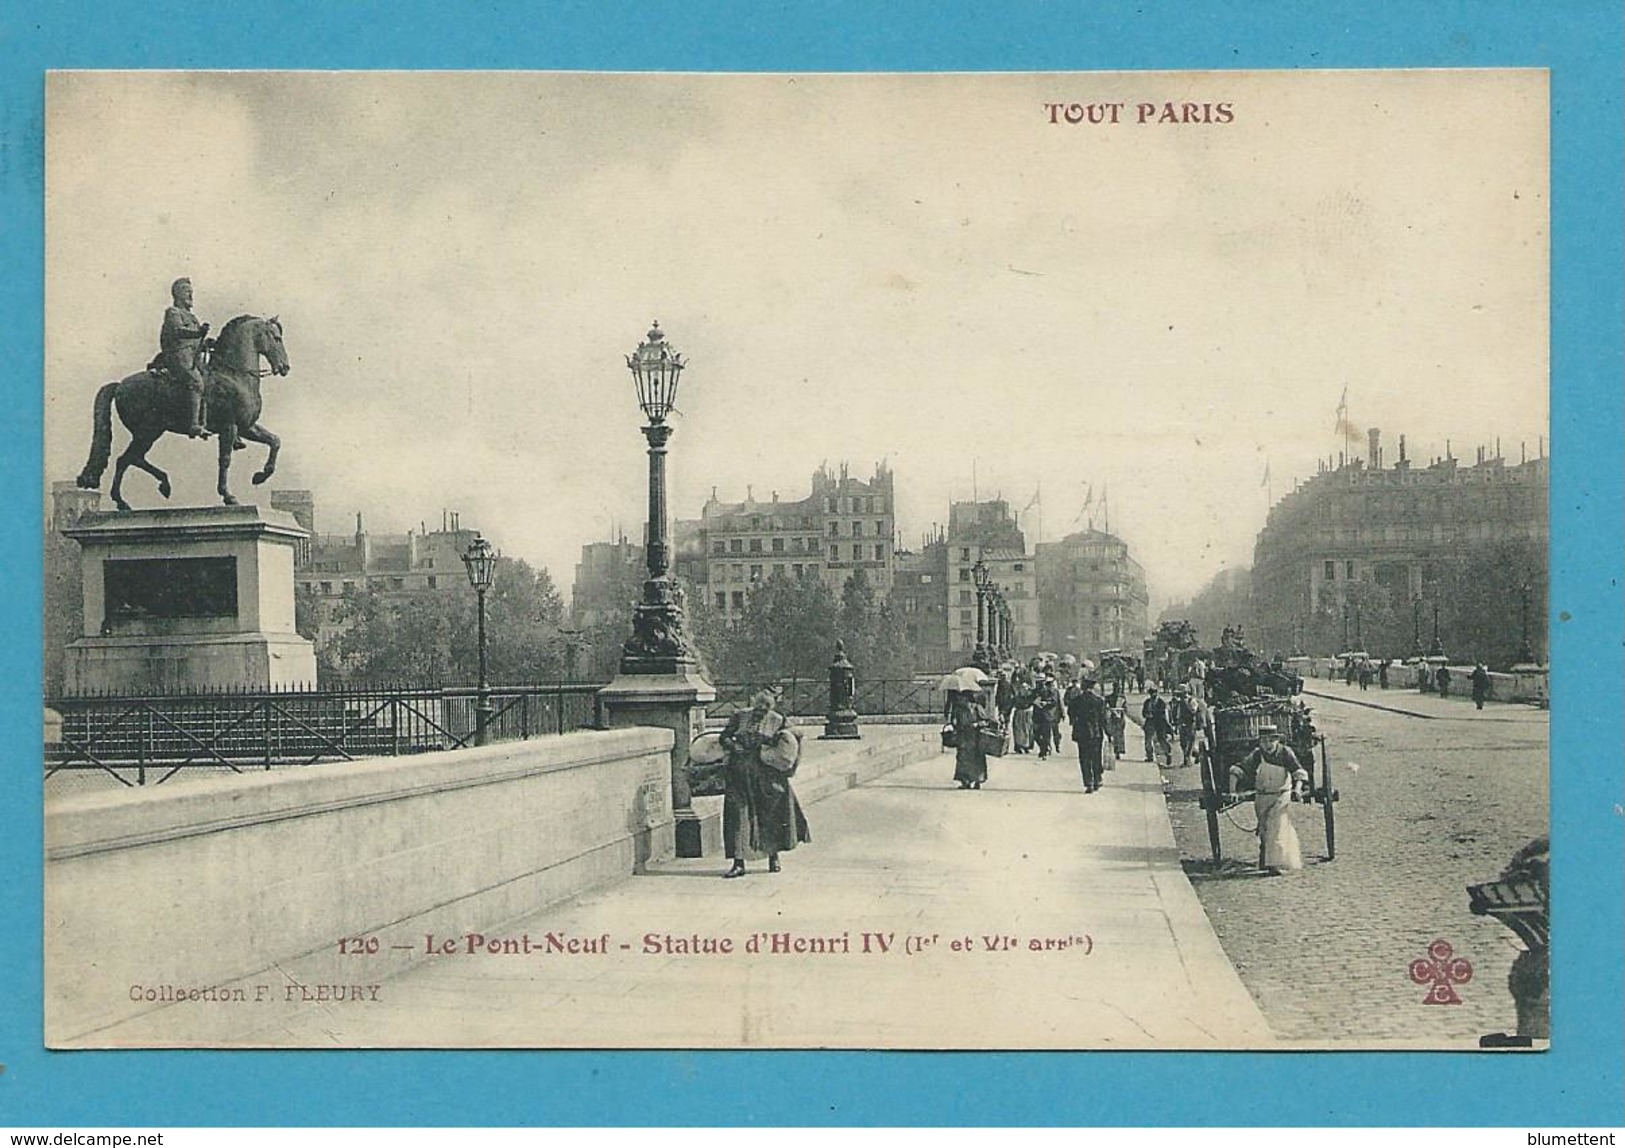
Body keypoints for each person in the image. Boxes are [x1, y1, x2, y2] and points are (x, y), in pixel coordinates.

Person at [721, 689, 810, 877]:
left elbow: (793, 739)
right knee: (738, 817)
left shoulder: (778, 720)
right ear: (753, 704)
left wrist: (780, 752)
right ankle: (738, 863)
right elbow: (724, 737)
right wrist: (733, 745)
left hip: (767, 776)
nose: (760, 712)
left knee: (770, 815)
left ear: (771, 708)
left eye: (765, 709)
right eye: (758, 708)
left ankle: (773, 857)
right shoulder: (739, 716)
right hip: (739, 773)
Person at [1228, 723, 1310, 875]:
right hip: (1262, 797)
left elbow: (1298, 772)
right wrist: (1232, 790)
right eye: (1264, 741)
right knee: (1265, 829)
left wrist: (1297, 789)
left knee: (1276, 827)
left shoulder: (1285, 753)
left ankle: (1274, 865)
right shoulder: (1257, 755)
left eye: (1271, 741)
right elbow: (1237, 770)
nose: (1268, 744)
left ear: (1277, 741)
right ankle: (1265, 858)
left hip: (1281, 795)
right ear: (1260, 742)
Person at [158, 277, 212, 438]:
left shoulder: (192, 318)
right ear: (177, 294)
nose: (191, 296)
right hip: (178, 356)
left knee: (215, 381)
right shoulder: (173, 312)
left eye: (191, 292)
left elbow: (196, 340)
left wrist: (206, 342)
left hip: (193, 357)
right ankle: (194, 425)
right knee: (196, 381)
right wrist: (198, 333)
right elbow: (178, 331)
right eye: (187, 292)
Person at [1067, 673, 1109, 792]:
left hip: (1082, 733)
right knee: (1096, 757)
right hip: (1096, 733)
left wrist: (1075, 722)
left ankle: (1088, 782)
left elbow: (1071, 714)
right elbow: (1103, 719)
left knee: (1084, 758)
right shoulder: (1099, 701)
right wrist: (1108, 733)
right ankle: (1097, 779)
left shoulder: (1076, 701)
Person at [949, 687, 996, 790]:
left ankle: (977, 781)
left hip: (976, 738)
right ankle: (965, 781)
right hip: (963, 737)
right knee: (963, 759)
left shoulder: (977, 708)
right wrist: (954, 724)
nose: (961, 700)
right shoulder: (958, 710)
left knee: (977, 759)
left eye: (963, 698)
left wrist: (977, 724)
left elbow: (986, 721)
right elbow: (954, 722)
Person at [1032, 674, 1062, 759]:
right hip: (1036, 715)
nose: (1039, 684)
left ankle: (1044, 751)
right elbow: (1029, 699)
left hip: (1046, 716)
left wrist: (1046, 703)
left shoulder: (1049, 691)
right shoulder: (1034, 691)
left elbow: (1054, 701)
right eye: (1037, 682)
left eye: (1041, 682)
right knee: (1036, 735)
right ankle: (1043, 747)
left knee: (1046, 734)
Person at [1140, 686, 1172, 766]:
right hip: (1150, 722)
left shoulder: (1161, 702)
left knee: (1162, 739)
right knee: (1148, 740)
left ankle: (1168, 754)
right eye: (1151, 693)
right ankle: (1149, 756)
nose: (1153, 695)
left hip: (1159, 723)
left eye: (1154, 693)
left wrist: (1154, 714)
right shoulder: (1147, 702)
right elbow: (1143, 713)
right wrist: (1147, 715)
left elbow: (1162, 713)